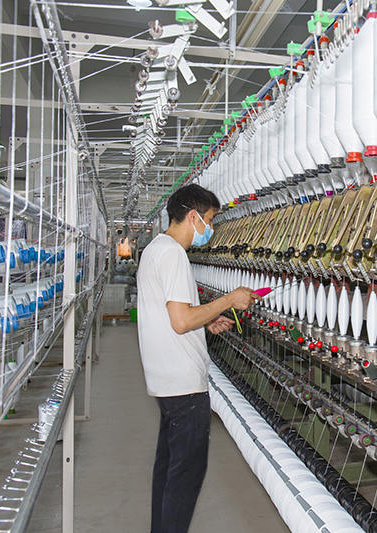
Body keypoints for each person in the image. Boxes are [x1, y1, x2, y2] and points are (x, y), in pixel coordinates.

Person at [136, 183, 257, 533]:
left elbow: (171, 316)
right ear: (193, 217)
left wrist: (207, 320)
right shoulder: (174, 254)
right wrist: (228, 300)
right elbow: (181, 321)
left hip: (165, 380)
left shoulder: (155, 249)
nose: (211, 228)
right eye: (210, 220)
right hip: (184, 386)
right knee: (185, 477)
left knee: (168, 470)